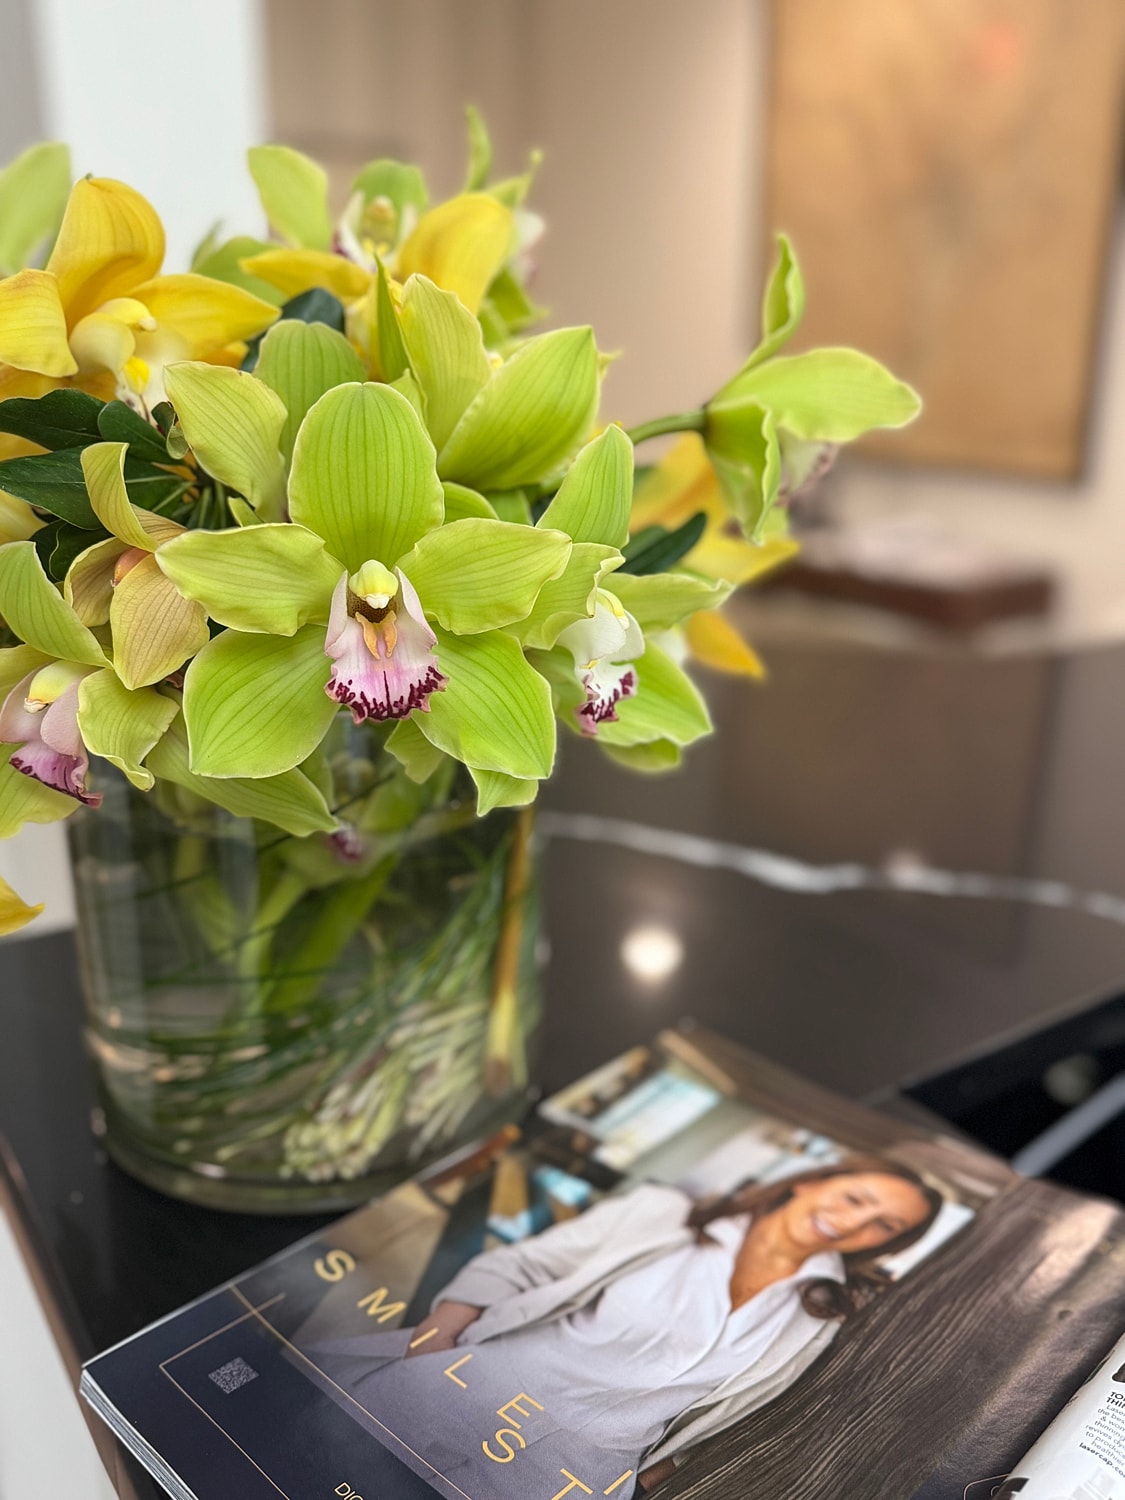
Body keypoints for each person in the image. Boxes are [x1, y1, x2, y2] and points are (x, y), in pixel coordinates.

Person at [315, 1155, 943, 1495]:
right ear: (811, 1182)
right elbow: (526, 1263)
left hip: (565, 1484)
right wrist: (438, 1339)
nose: (856, 1221)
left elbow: (742, 1412)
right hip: (456, 1392)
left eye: (885, 1225)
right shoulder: (666, 1215)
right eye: (857, 1196)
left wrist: (647, 1478)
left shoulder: (823, 1314)